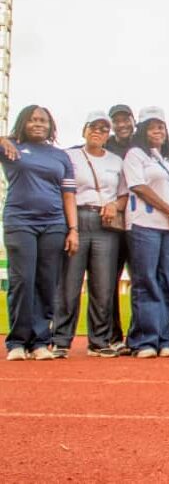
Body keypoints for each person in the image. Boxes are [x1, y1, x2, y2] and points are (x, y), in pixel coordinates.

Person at [0, 106, 77, 361]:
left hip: (54, 223)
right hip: (20, 221)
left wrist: (73, 229)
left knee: (47, 282)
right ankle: (17, 342)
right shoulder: (11, 147)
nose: (38, 124)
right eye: (32, 120)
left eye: (43, 120)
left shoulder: (61, 156)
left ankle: (41, 341)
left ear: (51, 125)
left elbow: (69, 195)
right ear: (23, 123)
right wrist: (3, 139)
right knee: (23, 280)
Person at [52, 112, 128, 359]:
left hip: (106, 223)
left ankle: (99, 341)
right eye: (93, 127)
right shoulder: (69, 156)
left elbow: (125, 194)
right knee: (69, 284)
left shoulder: (116, 161)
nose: (98, 132)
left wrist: (115, 205)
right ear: (84, 130)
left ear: (109, 135)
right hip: (78, 218)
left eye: (103, 129)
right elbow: (63, 190)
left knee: (103, 285)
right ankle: (61, 340)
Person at [123, 106, 169, 359]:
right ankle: (144, 340)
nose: (157, 131)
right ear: (142, 130)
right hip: (145, 224)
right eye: (152, 127)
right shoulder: (135, 155)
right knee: (146, 281)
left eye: (161, 126)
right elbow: (138, 186)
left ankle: (163, 338)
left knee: (165, 281)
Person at [105, 103, 135, 353]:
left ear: (133, 121)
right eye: (117, 121)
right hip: (112, 224)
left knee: (143, 281)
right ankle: (112, 335)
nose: (122, 124)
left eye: (126, 119)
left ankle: (138, 335)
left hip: (140, 224)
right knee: (107, 281)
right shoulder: (105, 144)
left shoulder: (143, 145)